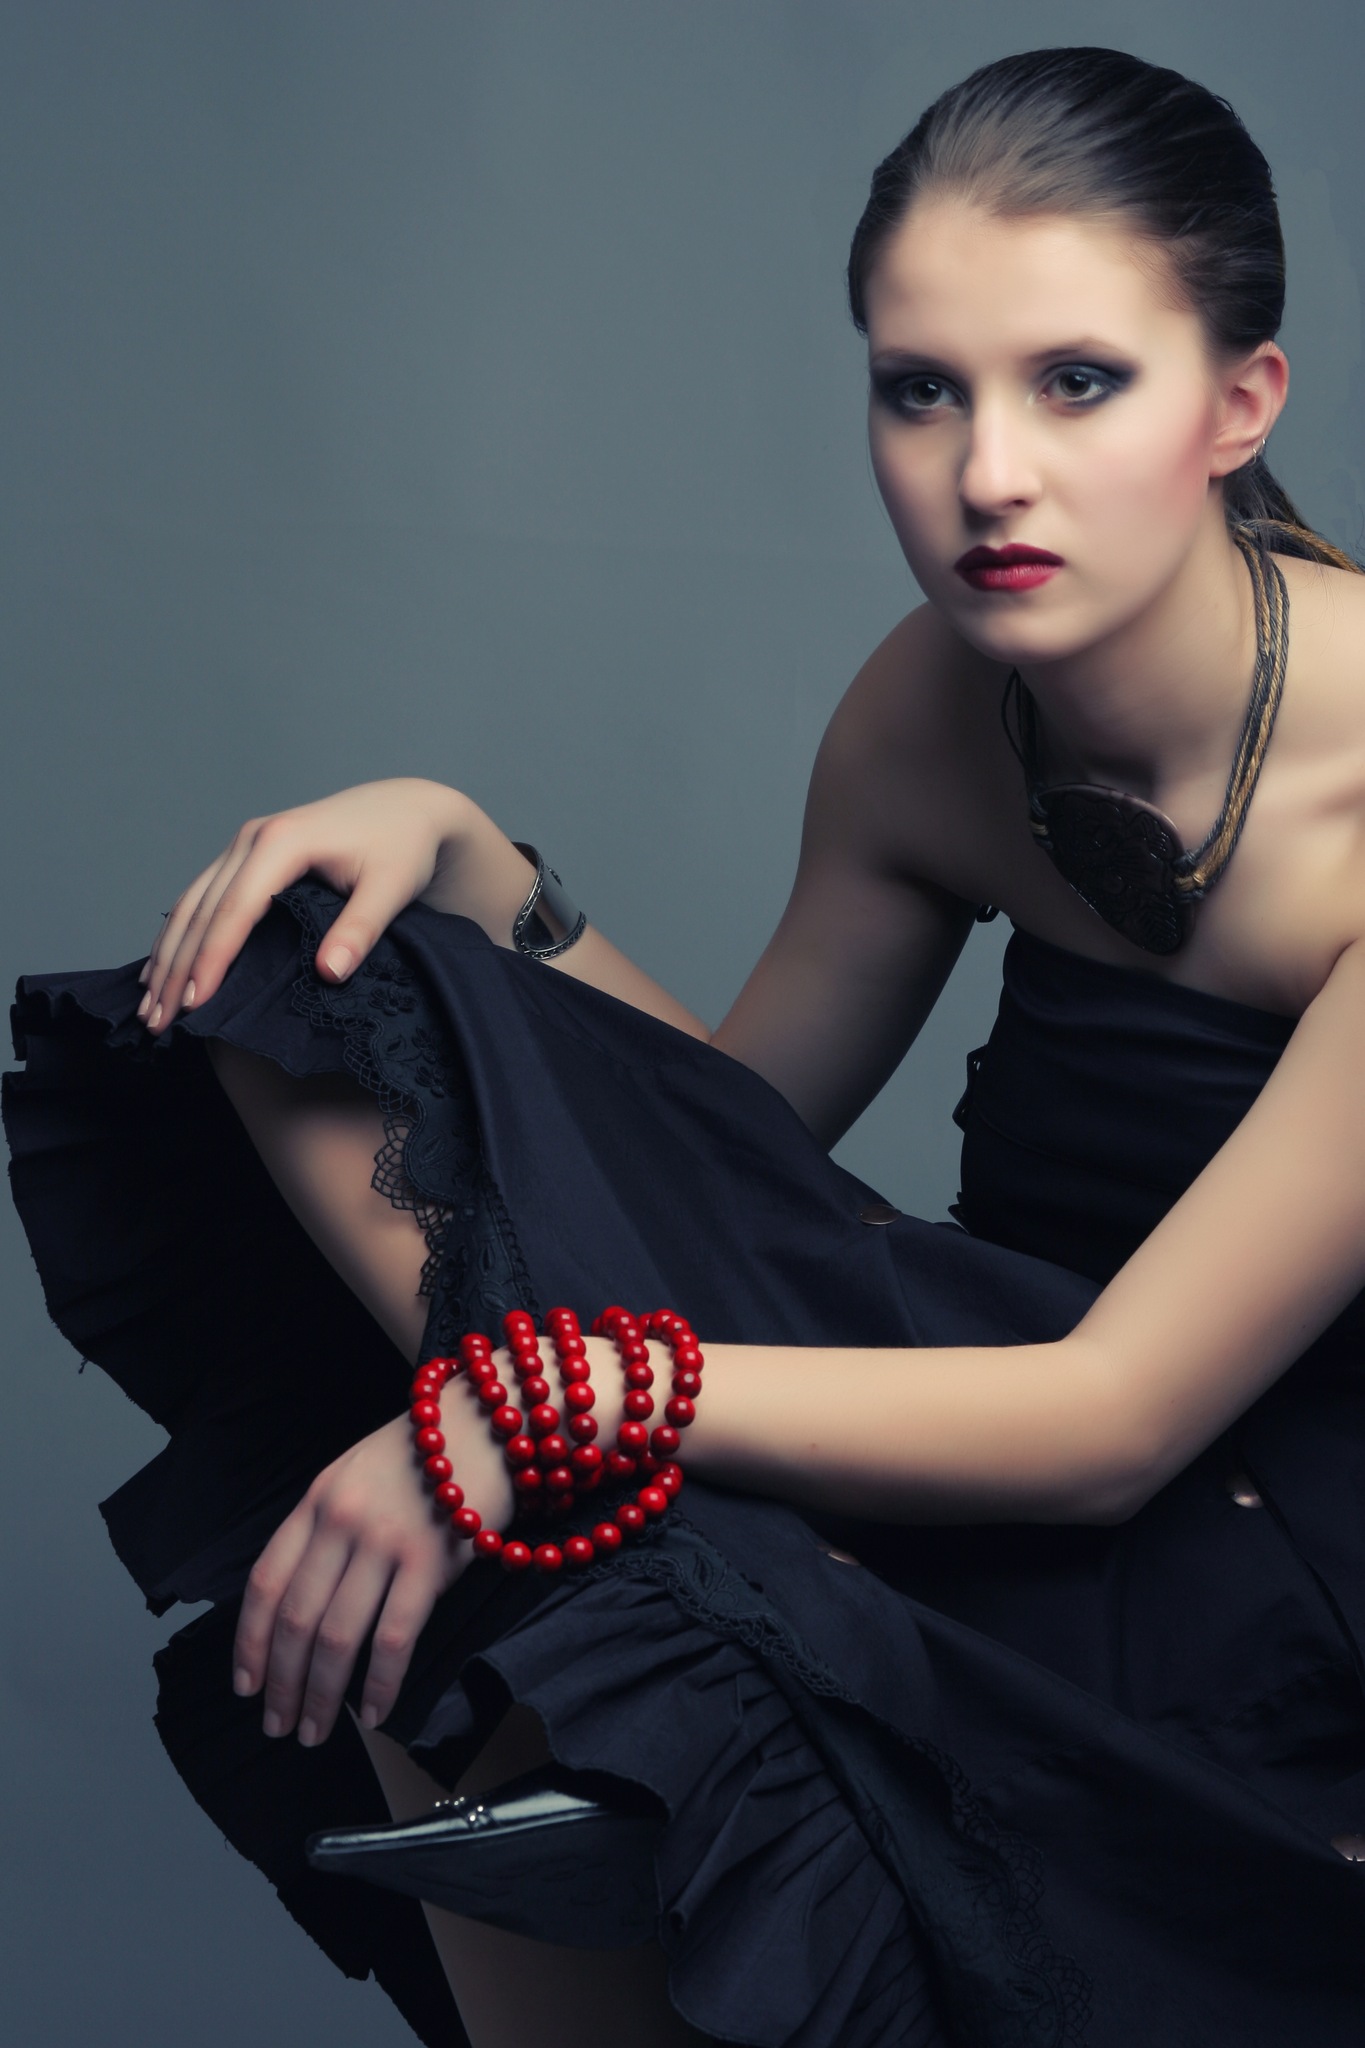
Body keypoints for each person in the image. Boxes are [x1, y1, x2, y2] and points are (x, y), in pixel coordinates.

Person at [7, 42, 1365, 2048]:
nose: (988, 471)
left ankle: (590, 1693)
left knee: (528, 1472)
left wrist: (528, 1414)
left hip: (1244, 1547)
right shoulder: (934, 706)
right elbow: (724, 1150)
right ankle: (583, 1730)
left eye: (1076, 382)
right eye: (921, 389)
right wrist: (475, 859)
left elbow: (1110, 1420)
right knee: (327, 972)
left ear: (1238, 401)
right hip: (965, 1397)